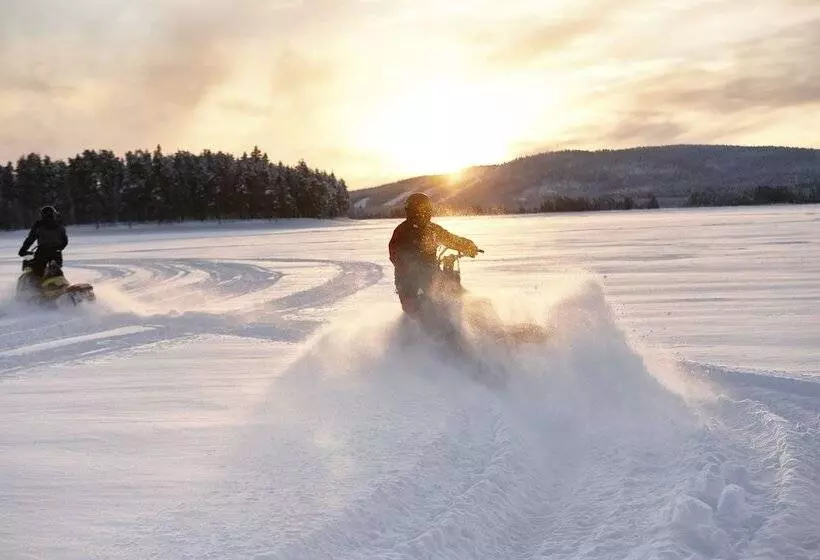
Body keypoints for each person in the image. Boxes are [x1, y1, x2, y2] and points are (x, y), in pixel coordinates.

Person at [388, 193, 478, 315]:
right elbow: (394, 253)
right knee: (413, 308)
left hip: (430, 273)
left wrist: (467, 246)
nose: (423, 213)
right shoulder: (402, 232)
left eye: (425, 210)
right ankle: (424, 321)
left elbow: (450, 239)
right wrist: (411, 264)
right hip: (408, 280)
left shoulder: (431, 229)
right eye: (421, 210)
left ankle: (469, 311)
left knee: (451, 286)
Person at [18, 205, 69, 279]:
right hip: (57, 254)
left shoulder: (39, 225)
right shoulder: (59, 225)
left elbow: (30, 239)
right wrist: (58, 248)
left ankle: (33, 284)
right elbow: (65, 241)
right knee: (56, 268)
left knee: (34, 269)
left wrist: (23, 250)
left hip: (42, 253)